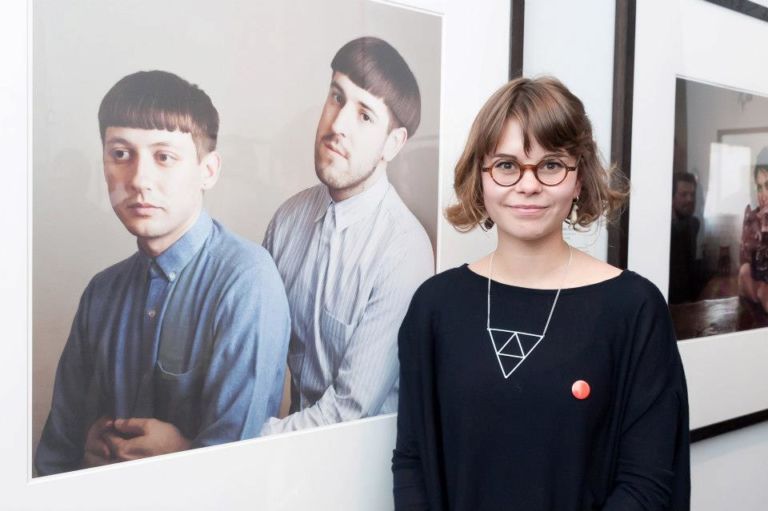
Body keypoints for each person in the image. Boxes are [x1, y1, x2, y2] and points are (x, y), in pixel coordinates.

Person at [392, 77, 690, 510]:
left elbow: (647, 484)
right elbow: (412, 461)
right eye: (507, 165)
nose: (527, 185)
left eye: (550, 165)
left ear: (579, 179)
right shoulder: (435, 306)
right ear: (481, 177)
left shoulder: (634, 308)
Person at [35, 70, 291, 476]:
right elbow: (56, 453)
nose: (138, 180)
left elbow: (239, 473)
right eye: (120, 154)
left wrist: (184, 455)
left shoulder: (247, 281)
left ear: (209, 170)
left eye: (164, 157)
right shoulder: (101, 292)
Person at [261, 37, 434, 434]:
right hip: (286, 455)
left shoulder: (404, 252)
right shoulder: (287, 219)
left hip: (359, 474)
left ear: (393, 143)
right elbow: (255, 354)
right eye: (337, 97)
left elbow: (347, 413)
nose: (337, 125)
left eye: (365, 116)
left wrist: (235, 441)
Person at [738, 148, 768, 312]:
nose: (763, 195)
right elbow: (744, 272)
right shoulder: (752, 217)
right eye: (759, 187)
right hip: (757, 298)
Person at [668, 172, 704, 303]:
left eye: (692, 195)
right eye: (684, 195)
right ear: (671, 198)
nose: (690, 199)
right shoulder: (665, 231)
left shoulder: (694, 224)